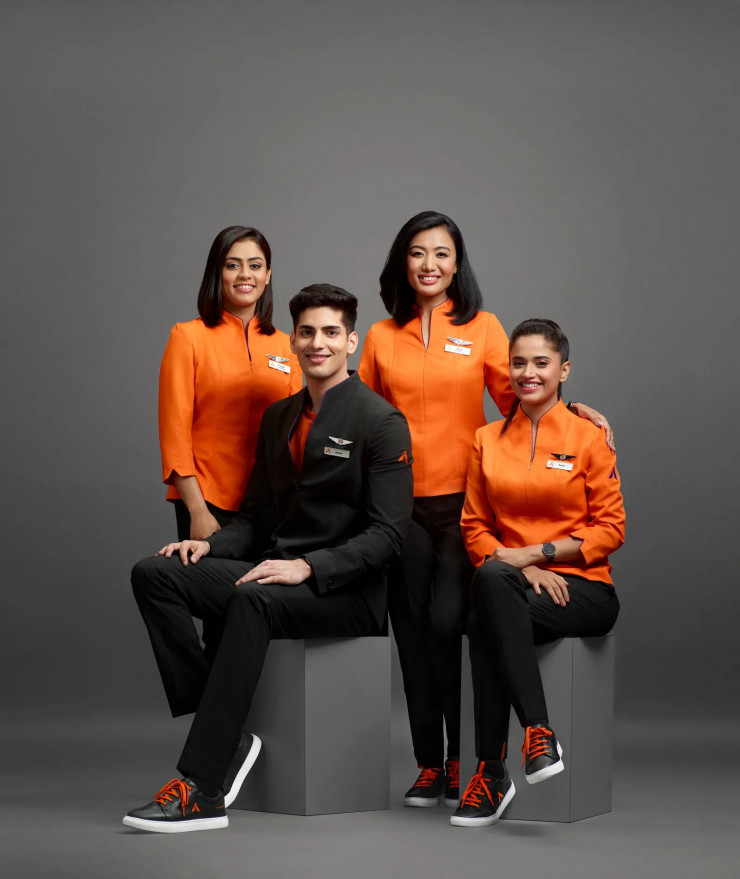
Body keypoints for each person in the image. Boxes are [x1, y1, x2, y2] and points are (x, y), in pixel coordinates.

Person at [125, 285, 413, 833]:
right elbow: (257, 518)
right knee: (156, 574)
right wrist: (210, 545)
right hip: (275, 571)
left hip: (345, 592)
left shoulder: (381, 421)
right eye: (307, 332)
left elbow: (387, 535)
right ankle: (224, 729)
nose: (318, 343)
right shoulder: (279, 418)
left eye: (331, 332)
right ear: (294, 341)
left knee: (253, 600)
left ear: (351, 341)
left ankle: (203, 788)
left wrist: (310, 567)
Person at [358, 211, 612, 809]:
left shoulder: (483, 327)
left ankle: (465, 759)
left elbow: (523, 400)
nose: (429, 265)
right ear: (402, 262)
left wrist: (574, 412)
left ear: (457, 264)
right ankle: (430, 764)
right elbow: (364, 417)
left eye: (441, 254)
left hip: (463, 506)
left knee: (451, 623)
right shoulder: (380, 336)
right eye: (417, 253)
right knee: (412, 635)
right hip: (398, 509)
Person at [450, 318, 624, 828]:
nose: (528, 373)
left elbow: (611, 528)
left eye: (541, 363)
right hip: (513, 584)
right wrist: (523, 572)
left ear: (563, 370)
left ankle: (492, 771)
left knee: (484, 613)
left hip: (585, 590)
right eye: (519, 363)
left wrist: (535, 555)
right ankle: (536, 736)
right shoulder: (486, 439)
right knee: (487, 599)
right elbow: (474, 528)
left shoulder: (589, 436)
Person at [159, 225, 301, 545]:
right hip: (208, 500)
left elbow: (294, 432)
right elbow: (174, 437)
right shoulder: (187, 337)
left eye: (255, 265)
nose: (245, 275)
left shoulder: (287, 345)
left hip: (271, 504)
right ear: (217, 273)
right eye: (232, 265)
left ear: (268, 274)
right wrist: (197, 511)